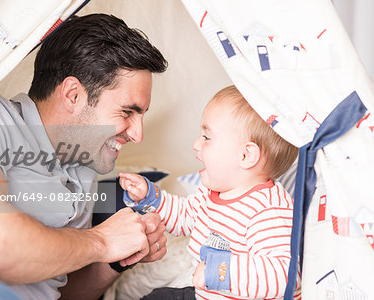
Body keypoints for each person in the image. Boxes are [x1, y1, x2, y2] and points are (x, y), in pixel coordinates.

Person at [0, 14, 168, 300]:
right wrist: (102, 240)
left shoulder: (83, 170)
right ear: (73, 95)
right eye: (127, 112)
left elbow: (60, 292)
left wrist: (116, 257)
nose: (138, 135)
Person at [119, 85, 302, 299]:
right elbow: (184, 216)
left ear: (245, 156)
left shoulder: (270, 210)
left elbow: (284, 275)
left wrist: (218, 272)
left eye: (207, 137)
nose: (196, 144)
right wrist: (151, 197)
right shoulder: (211, 193)